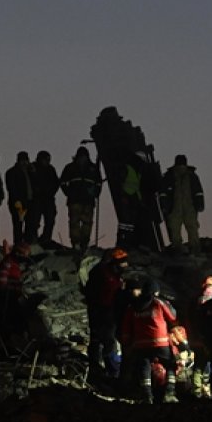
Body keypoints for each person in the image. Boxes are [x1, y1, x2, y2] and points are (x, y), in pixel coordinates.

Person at [119, 276, 179, 404]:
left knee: (144, 367)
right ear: (155, 292)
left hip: (140, 344)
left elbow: (125, 327)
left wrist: (127, 344)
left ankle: (147, 396)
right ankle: (169, 393)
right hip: (160, 341)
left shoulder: (132, 306)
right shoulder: (158, 302)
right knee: (170, 365)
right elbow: (173, 316)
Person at [82, 247, 129, 382]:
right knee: (104, 340)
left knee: (104, 340)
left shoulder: (114, 274)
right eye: (122, 262)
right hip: (101, 311)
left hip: (108, 310)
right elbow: (93, 293)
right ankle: (107, 370)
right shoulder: (101, 273)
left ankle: (103, 368)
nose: (125, 265)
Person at [59, 146, 102, 253]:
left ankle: (84, 243)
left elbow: (99, 183)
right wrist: (69, 193)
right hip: (74, 201)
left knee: (87, 223)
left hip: (88, 201)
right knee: (74, 222)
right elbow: (63, 182)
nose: (82, 158)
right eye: (81, 156)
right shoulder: (70, 168)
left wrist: (95, 193)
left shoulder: (93, 168)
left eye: (84, 156)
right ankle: (76, 243)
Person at [159, 154, 205, 254]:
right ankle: (182, 248)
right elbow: (199, 192)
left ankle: (190, 248)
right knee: (181, 227)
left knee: (187, 227)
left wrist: (200, 204)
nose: (181, 167)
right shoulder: (170, 176)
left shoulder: (189, 176)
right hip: (178, 207)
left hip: (187, 207)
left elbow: (198, 192)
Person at [0, 241, 37, 350]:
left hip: (14, 294)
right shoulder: (9, 261)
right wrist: (5, 289)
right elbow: (2, 277)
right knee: (13, 317)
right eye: (23, 255)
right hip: (9, 295)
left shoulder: (14, 263)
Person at [27, 150, 61, 247]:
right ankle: (33, 239)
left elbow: (56, 183)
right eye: (46, 159)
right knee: (34, 220)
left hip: (48, 199)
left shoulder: (51, 169)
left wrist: (50, 192)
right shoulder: (33, 168)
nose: (47, 161)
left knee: (50, 219)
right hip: (36, 199)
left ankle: (46, 238)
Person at [5, 152, 33, 245]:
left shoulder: (30, 172)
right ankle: (18, 244)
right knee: (18, 224)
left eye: (26, 160)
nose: (25, 162)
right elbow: (12, 188)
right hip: (18, 203)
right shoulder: (12, 172)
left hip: (29, 202)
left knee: (30, 223)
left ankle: (27, 242)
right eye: (23, 160)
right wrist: (16, 201)